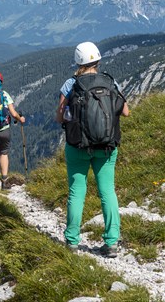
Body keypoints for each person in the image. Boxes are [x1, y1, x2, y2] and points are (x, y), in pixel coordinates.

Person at [55, 42, 130, 258]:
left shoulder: (71, 84)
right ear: (97, 60)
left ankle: (71, 241)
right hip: (107, 147)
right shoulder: (109, 81)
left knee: (77, 191)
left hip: (77, 146)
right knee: (107, 191)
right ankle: (112, 241)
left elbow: (60, 116)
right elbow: (125, 111)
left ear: (78, 61)